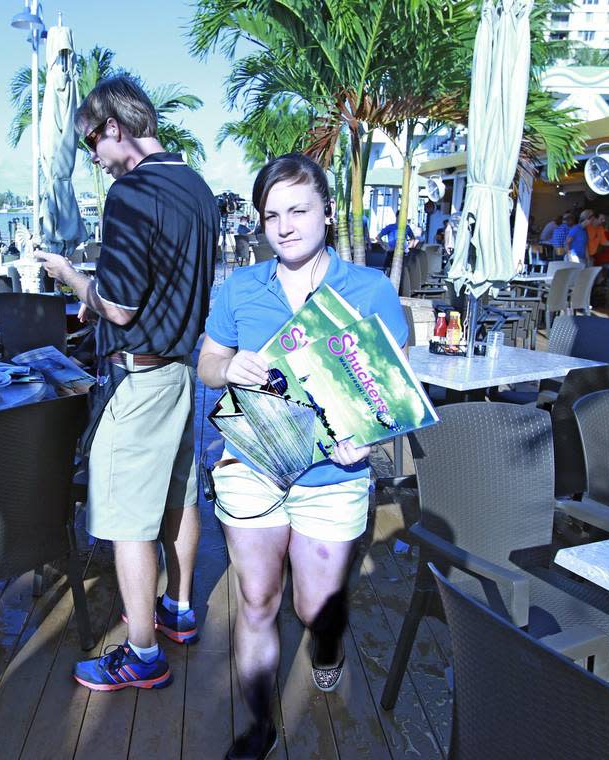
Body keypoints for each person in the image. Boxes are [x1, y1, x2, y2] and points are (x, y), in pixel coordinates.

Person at [198, 154, 408, 760]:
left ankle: (328, 644)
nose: (284, 225)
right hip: (252, 464)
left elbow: (391, 384)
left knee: (314, 606)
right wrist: (226, 365)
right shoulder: (240, 287)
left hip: (333, 473)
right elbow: (208, 362)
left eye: (298, 209)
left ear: (326, 211)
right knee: (258, 600)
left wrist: (370, 434)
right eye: (271, 215)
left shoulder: (367, 288)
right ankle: (258, 725)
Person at [33, 75, 219, 692]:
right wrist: (106, 293)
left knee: (126, 518)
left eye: (91, 140)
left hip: (140, 382)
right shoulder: (196, 187)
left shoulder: (130, 193)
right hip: (182, 373)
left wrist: (71, 278)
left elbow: (118, 307)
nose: (91, 155)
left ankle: (141, 653)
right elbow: (165, 282)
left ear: (114, 126)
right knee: (179, 496)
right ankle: (179, 609)